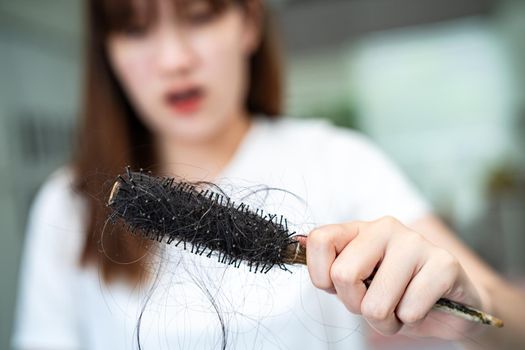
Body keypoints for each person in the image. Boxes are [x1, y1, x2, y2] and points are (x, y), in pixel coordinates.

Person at [12, 0, 525, 349]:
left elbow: (514, 324)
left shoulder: (338, 160)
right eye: (135, 28)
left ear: (249, 23)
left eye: (199, 16)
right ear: (108, 52)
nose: (174, 60)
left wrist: (469, 308)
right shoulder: (67, 203)